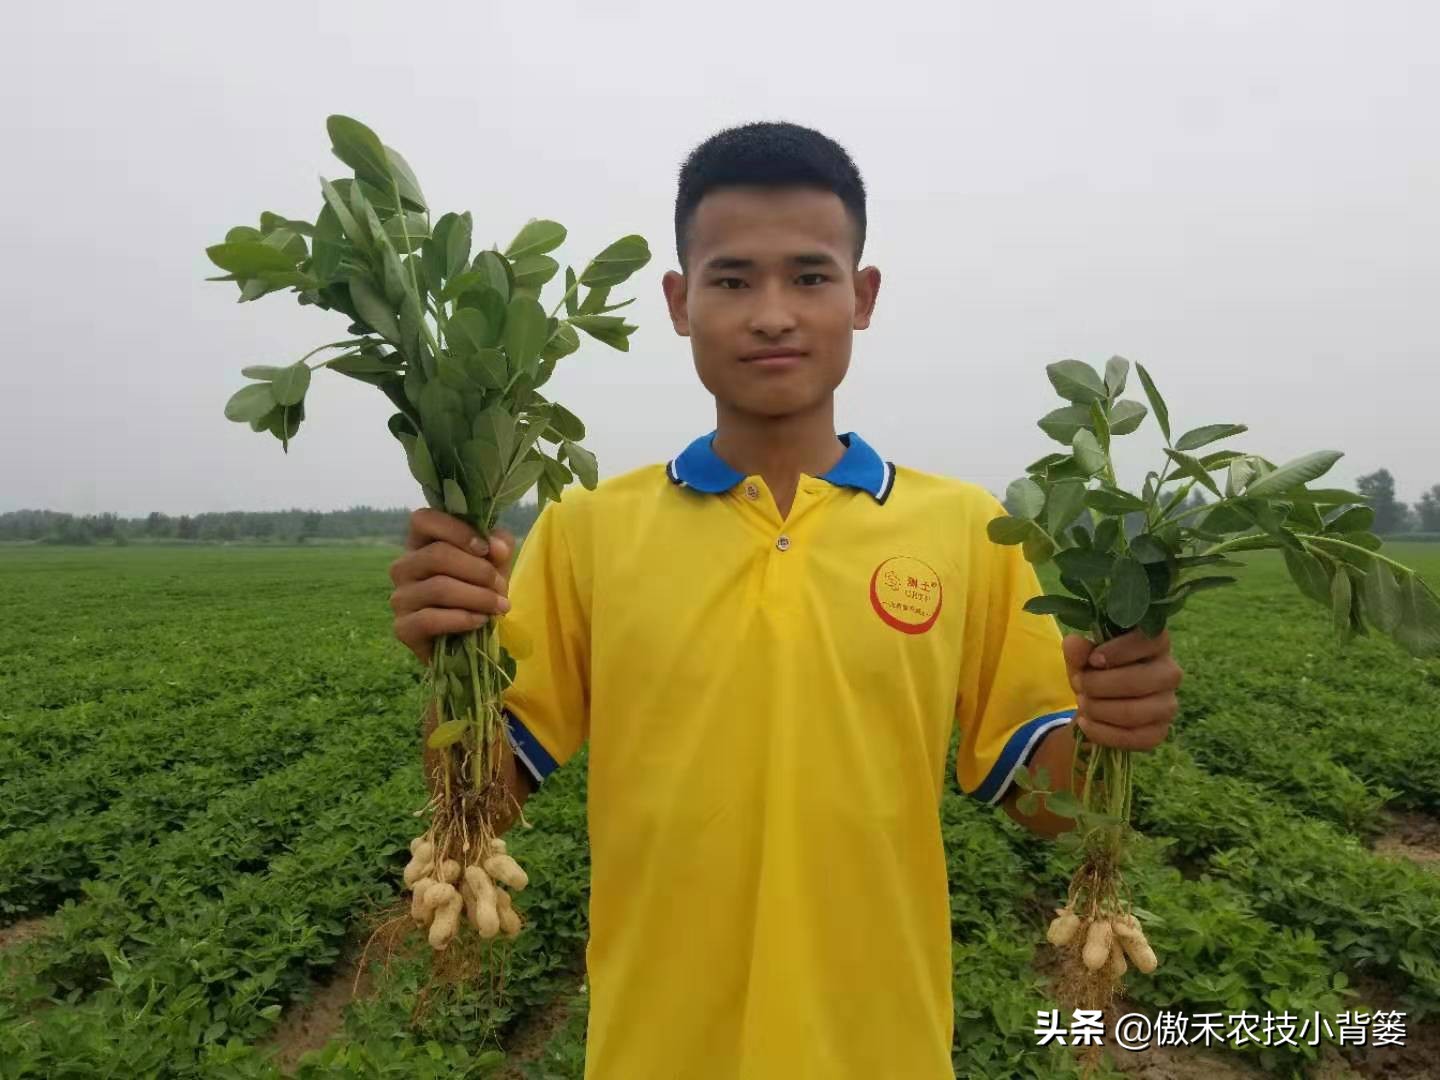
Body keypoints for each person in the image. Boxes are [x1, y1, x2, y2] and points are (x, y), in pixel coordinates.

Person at [387, 120, 1183, 1080]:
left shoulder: (968, 530)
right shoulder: (589, 528)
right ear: (680, 303)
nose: (772, 313)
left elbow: (1045, 804)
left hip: (882, 1048)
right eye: (731, 280)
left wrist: (1109, 730)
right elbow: (483, 798)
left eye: (810, 277)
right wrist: (451, 659)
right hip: (653, 1049)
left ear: (863, 296)